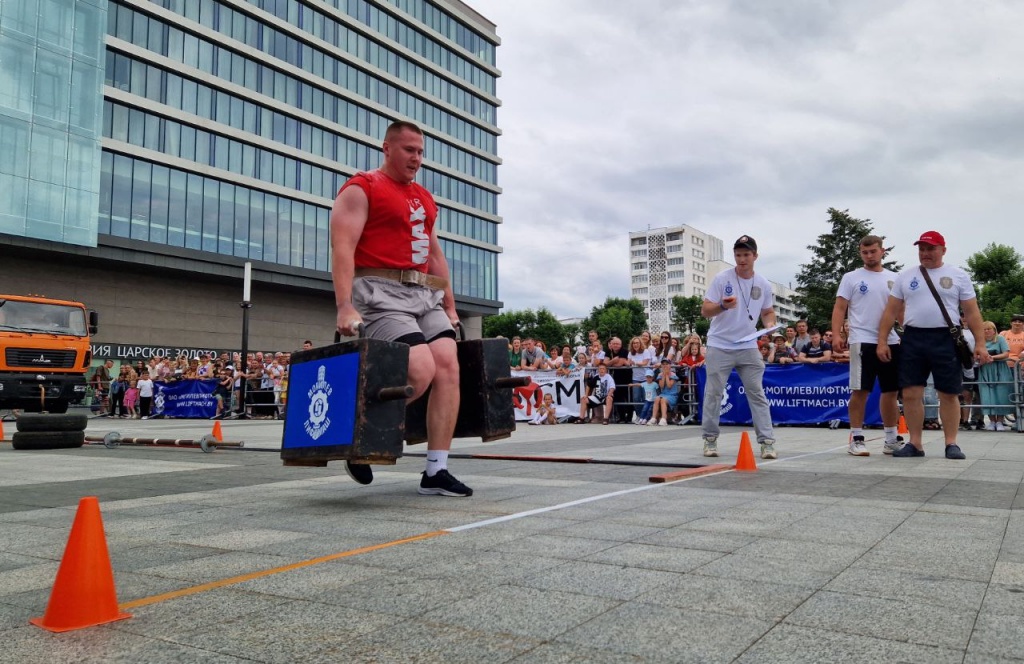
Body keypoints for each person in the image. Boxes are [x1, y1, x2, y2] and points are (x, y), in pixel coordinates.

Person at [330, 120, 470, 496]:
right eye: (410, 150)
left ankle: (435, 470)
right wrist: (344, 305)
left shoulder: (424, 198)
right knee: (420, 369)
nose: (417, 158)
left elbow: (436, 255)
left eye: (421, 152)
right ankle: (361, 437)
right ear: (387, 148)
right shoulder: (363, 187)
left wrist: (451, 307)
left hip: (424, 295)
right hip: (379, 292)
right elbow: (342, 248)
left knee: (448, 364)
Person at [877, 230, 990, 459]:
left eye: (931, 248)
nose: (925, 253)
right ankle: (915, 443)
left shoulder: (958, 275)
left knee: (948, 392)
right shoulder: (905, 276)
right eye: (921, 249)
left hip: (946, 337)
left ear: (943, 250)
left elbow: (971, 311)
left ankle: (951, 443)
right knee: (910, 392)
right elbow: (890, 311)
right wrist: (882, 341)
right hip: (913, 337)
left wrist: (980, 343)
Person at [699, 235, 778, 459]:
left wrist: (770, 325)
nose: (742, 259)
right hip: (719, 344)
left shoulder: (762, 283)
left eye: (746, 255)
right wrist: (722, 306)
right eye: (738, 255)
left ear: (755, 256)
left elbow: (767, 311)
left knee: (757, 393)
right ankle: (710, 439)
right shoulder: (722, 279)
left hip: (748, 344)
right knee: (714, 393)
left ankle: (767, 442)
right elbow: (706, 310)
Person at [831, 235, 905, 456]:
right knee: (860, 390)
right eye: (865, 252)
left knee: (891, 391)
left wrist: (909, 332)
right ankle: (857, 437)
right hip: (862, 339)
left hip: (891, 340)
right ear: (860, 252)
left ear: (882, 251)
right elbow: (839, 307)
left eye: (873, 251)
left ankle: (891, 439)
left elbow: (901, 311)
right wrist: (836, 334)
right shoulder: (851, 277)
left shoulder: (895, 278)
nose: (869, 256)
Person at [979, 321, 1013, 431]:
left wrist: (993, 357)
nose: (987, 331)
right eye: (984, 329)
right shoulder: (980, 342)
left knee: (1001, 394)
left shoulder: (1000, 339)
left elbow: (1006, 353)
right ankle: (992, 420)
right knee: (987, 396)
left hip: (1000, 369)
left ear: (994, 330)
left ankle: (1000, 421)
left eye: (989, 329)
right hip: (985, 370)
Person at [649, 358, 679, 426]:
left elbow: (669, 386)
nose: (665, 366)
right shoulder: (660, 374)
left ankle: (664, 418)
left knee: (663, 400)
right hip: (663, 394)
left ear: (670, 365)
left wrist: (666, 375)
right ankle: (653, 418)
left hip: (672, 395)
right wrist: (663, 375)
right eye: (663, 364)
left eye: (667, 364)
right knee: (657, 398)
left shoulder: (673, 375)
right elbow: (661, 386)